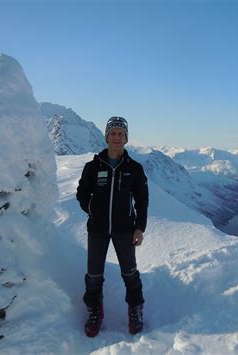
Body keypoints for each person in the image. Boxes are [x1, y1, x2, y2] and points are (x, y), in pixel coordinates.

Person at [76, 116, 149, 337]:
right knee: (94, 274)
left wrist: (139, 227)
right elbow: (81, 193)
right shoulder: (93, 166)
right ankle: (94, 310)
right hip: (97, 229)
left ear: (126, 138)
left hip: (125, 229)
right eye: (113, 133)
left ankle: (135, 308)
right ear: (106, 136)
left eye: (121, 133)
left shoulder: (134, 168)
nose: (116, 137)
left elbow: (142, 200)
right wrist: (92, 210)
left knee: (129, 272)